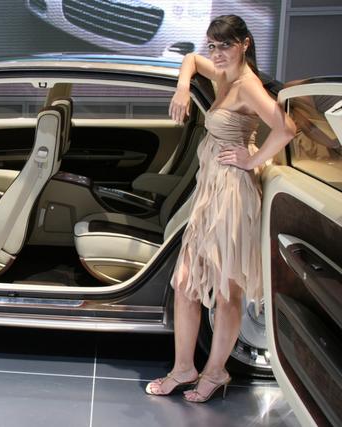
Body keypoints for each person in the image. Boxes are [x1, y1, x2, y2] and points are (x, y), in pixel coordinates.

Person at [144, 15, 296, 402]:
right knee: (185, 284)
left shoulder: (247, 85)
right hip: (210, 192)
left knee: (228, 292)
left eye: (225, 45)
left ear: (244, 43)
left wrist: (252, 158)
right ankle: (184, 368)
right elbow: (191, 60)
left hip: (232, 196)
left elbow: (286, 128)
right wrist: (182, 88)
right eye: (213, 45)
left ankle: (215, 372)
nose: (216, 53)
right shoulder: (223, 73)